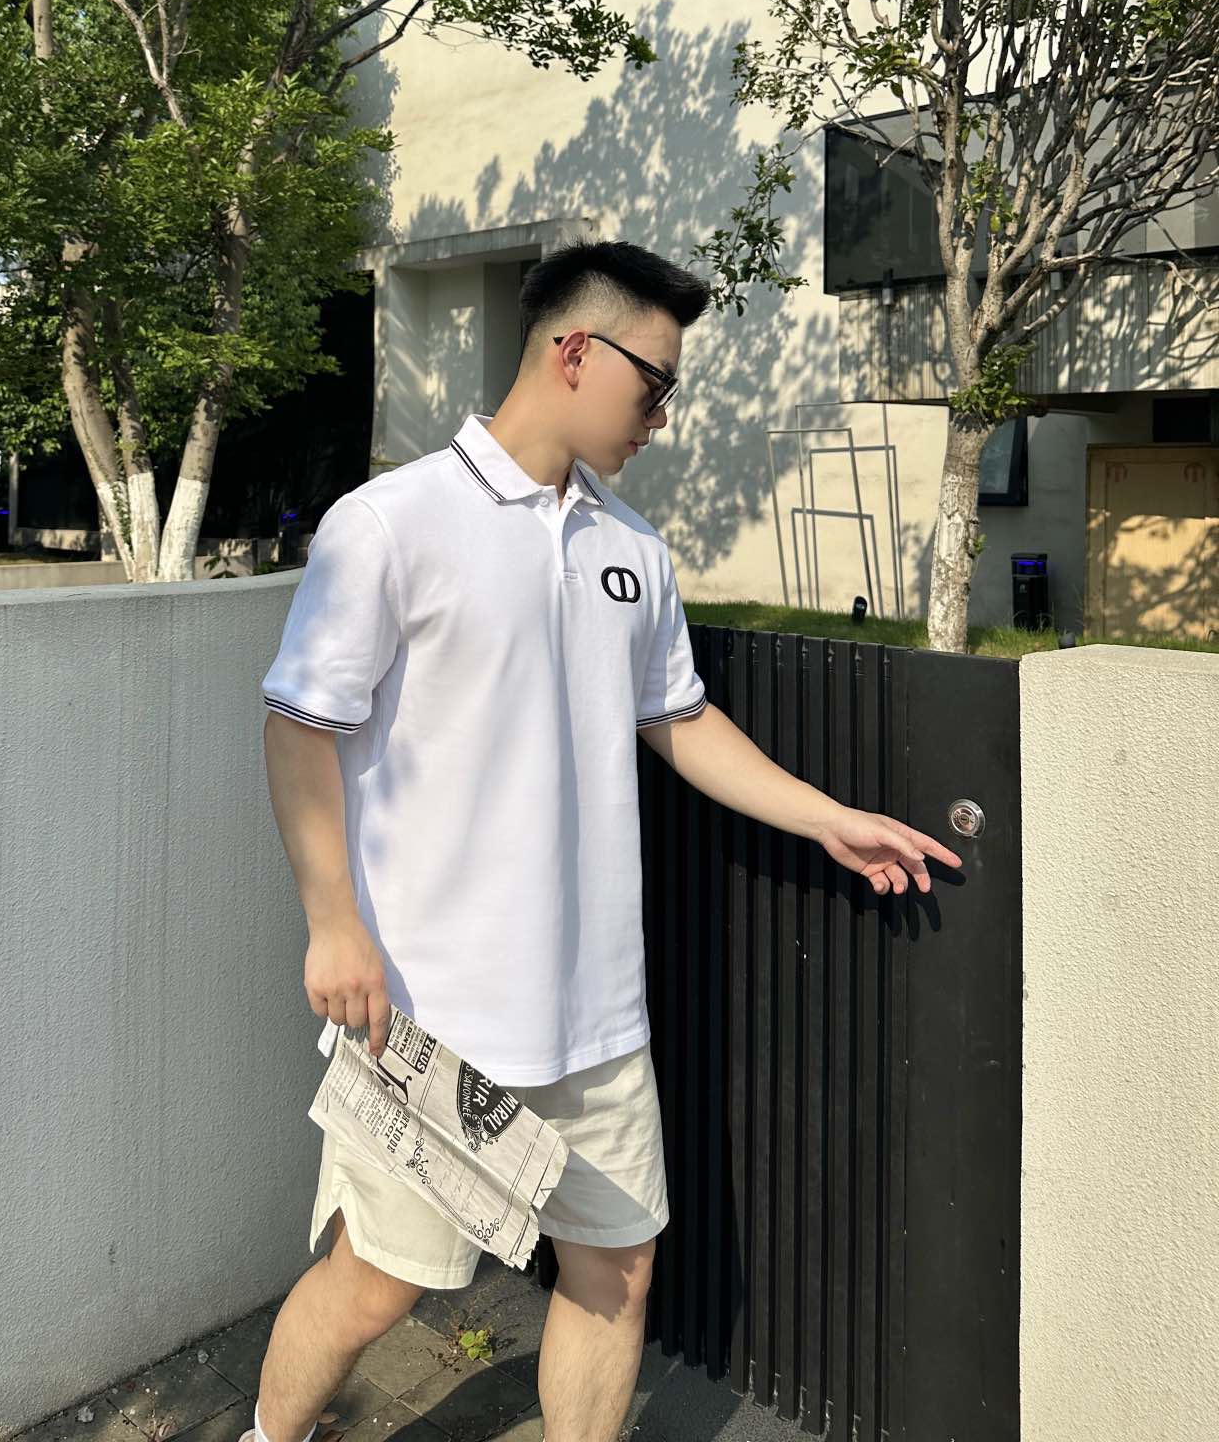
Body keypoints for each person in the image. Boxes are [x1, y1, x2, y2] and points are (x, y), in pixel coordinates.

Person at [248, 239, 960, 1442]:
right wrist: (333, 925)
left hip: (599, 1017)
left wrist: (829, 818)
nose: (663, 419)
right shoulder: (391, 524)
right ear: (574, 351)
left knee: (616, 1273)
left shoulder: (633, 549)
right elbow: (299, 726)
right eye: (656, 384)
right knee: (379, 1281)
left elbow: (677, 720)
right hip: (429, 1010)